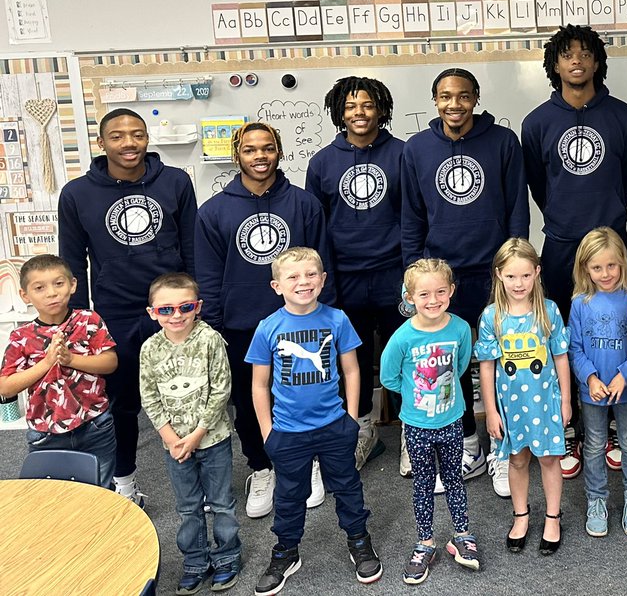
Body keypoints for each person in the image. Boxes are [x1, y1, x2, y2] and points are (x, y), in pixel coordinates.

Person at [59, 107, 197, 505]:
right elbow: (72, 261)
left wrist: (193, 306)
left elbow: (191, 248)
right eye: (117, 136)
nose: (129, 143)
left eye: (137, 134)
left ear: (147, 138)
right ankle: (125, 482)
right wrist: (79, 321)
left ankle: (194, 481)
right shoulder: (77, 194)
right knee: (123, 403)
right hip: (113, 314)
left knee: (184, 396)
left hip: (173, 312)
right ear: (101, 143)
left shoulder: (174, 182)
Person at [522, 25, 627, 480]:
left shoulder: (624, 116)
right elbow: (537, 183)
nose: (577, 61)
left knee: (613, 333)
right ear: (555, 65)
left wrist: (605, 219)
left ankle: (611, 426)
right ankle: (570, 427)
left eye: (585, 54)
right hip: (561, 242)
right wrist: (563, 215)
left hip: (610, 242)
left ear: (596, 63)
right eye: (567, 55)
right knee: (565, 337)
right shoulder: (536, 121)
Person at [197, 122, 333, 520]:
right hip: (242, 326)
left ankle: (309, 465)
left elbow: (324, 264)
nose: (260, 156)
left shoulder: (305, 204)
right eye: (251, 149)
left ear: (279, 152)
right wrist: (217, 327)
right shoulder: (214, 211)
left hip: (301, 323)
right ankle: (262, 468)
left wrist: (325, 318)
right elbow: (207, 274)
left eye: (268, 148)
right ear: (237, 153)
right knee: (248, 400)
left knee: (306, 397)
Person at [402, 68, 529, 489]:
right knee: (451, 364)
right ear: (434, 100)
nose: (453, 104)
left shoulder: (503, 141)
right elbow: (412, 216)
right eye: (444, 96)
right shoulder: (417, 148)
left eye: (462, 96)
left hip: (493, 271)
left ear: (475, 98)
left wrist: (514, 267)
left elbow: (517, 209)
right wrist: (412, 276)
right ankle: (469, 445)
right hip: (443, 279)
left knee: (500, 360)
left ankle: (503, 449)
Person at [247, 247, 382, 595]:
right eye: (293, 276)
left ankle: (358, 540)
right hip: (288, 432)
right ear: (277, 286)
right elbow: (259, 385)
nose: (303, 282)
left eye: (311, 275)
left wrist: (351, 418)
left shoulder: (337, 319)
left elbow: (352, 370)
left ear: (322, 280)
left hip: (334, 425)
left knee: (348, 487)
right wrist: (267, 433)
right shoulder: (268, 327)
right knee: (290, 496)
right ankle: (286, 552)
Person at [306, 76, 405, 469]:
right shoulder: (321, 163)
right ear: (338, 113)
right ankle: (364, 428)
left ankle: (412, 434)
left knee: (405, 357)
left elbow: (416, 214)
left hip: (394, 274)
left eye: (367, 105)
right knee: (355, 358)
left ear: (381, 109)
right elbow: (316, 228)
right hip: (345, 279)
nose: (359, 113)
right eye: (350, 106)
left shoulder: (403, 154)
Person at [380, 259, 481, 585]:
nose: (433, 300)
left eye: (441, 291)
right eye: (424, 294)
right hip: (418, 425)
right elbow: (389, 377)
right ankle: (425, 541)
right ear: (410, 297)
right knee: (423, 484)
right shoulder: (401, 338)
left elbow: (462, 364)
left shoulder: (461, 329)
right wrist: (415, 397)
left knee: (454, 479)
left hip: (452, 420)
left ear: (451, 290)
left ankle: (462, 534)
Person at [139, 272, 240, 594]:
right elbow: (150, 397)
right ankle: (195, 562)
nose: (177, 315)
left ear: (198, 307)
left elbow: (221, 390)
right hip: (174, 446)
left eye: (185, 307)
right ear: (153, 313)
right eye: (166, 310)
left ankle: (227, 558)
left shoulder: (210, 340)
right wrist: (170, 438)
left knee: (222, 503)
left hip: (213, 439)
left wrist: (196, 435)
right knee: (187, 508)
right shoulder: (149, 349)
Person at [476, 238, 571, 556]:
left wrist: (567, 400)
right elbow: (487, 368)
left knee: (548, 458)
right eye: (512, 276)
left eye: (526, 275)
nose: (519, 283)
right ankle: (521, 516)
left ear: (537, 273)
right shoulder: (492, 317)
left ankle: (553, 517)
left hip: (544, 402)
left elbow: (560, 357)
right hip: (510, 404)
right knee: (517, 459)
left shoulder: (548, 311)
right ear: (499, 275)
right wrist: (490, 411)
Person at [0, 254, 118, 488]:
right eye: (39, 287)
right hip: (46, 433)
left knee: (102, 492)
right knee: (52, 496)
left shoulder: (88, 320)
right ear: (25, 295)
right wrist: (47, 363)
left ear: (73, 285)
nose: (52, 293)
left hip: (94, 424)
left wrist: (71, 359)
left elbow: (110, 362)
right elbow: (5, 386)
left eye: (59, 284)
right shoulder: (21, 336)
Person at [567, 227, 627, 538]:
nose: (605, 273)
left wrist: (623, 376)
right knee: (595, 445)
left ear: (623, 263)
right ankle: (596, 500)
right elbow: (574, 348)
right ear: (585, 268)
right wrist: (589, 377)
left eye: (611, 265)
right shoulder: (579, 303)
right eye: (597, 267)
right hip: (592, 391)